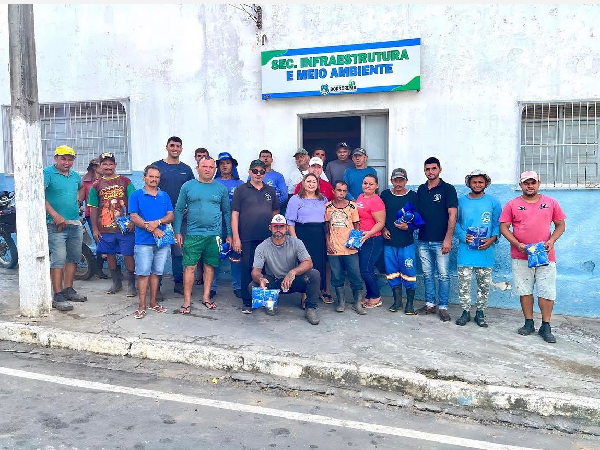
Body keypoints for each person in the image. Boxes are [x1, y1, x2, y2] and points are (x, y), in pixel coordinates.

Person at [499, 171, 566, 343]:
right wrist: (517, 244)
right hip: (521, 255)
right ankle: (528, 323)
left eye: (533, 182)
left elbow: (560, 225)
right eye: (526, 183)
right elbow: (504, 228)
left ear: (539, 183)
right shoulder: (512, 205)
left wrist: (551, 240)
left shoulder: (551, 203)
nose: (530, 186)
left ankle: (546, 325)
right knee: (525, 290)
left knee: (547, 291)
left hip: (546, 256)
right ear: (520, 185)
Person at [174, 156, 231, 313]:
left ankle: (206, 297)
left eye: (211, 167)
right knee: (190, 267)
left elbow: (227, 212)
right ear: (197, 168)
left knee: (210, 267)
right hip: (193, 234)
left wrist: (230, 234)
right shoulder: (188, 186)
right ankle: (187, 301)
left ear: (215, 169)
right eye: (204, 166)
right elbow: (178, 210)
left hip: (214, 235)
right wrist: (177, 231)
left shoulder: (221, 189)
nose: (208, 169)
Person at [250, 214, 321, 325]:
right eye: (275, 226)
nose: (278, 229)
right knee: (253, 286)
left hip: (292, 281)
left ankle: (310, 308)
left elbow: (308, 262)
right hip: (274, 281)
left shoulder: (296, 243)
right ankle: (270, 303)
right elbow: (256, 270)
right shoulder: (262, 246)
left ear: (286, 228)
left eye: (281, 226)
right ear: (270, 228)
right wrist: (260, 279)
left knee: (314, 275)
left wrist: (293, 272)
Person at [454, 170, 502, 327]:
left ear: (486, 184)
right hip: (465, 250)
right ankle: (465, 312)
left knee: (483, 284)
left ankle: (480, 312)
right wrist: (463, 236)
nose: (477, 185)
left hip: (485, 251)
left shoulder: (493, 202)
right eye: (474, 182)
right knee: (464, 283)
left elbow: (497, 224)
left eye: (480, 182)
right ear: (469, 183)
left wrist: (492, 239)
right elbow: (455, 223)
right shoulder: (461, 201)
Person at [232, 159, 280, 314]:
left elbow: (275, 213)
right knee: (247, 268)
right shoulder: (241, 189)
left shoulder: (270, 190)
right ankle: (247, 301)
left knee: (266, 269)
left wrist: (275, 233)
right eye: (255, 171)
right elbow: (235, 215)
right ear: (249, 172)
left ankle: (266, 301)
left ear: (265, 173)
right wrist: (236, 237)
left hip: (267, 238)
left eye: (261, 171)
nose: (258, 174)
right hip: (247, 237)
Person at [44, 145, 87, 311]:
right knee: (59, 258)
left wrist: (78, 201)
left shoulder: (76, 176)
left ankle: (68, 289)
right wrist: (54, 215)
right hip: (55, 225)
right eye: (63, 158)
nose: (67, 162)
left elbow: (82, 187)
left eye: (70, 159)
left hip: (74, 223)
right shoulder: (47, 173)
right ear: (56, 158)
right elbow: (39, 195)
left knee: (73, 258)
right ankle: (58, 294)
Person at [415, 157, 458, 322]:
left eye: (433, 168)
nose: (430, 172)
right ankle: (430, 304)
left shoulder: (448, 189)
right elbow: (417, 214)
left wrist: (448, 239)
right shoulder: (421, 189)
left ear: (440, 169)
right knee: (427, 274)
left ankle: (443, 307)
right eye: (427, 169)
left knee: (444, 275)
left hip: (441, 241)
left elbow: (452, 215)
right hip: (424, 240)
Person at [88, 152, 137, 296]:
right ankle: (116, 283)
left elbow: (134, 201)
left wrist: (133, 221)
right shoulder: (95, 186)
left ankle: (131, 285)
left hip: (125, 228)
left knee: (128, 254)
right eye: (104, 164)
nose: (108, 166)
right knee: (109, 255)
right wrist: (95, 229)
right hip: (105, 228)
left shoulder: (125, 181)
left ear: (115, 165)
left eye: (110, 163)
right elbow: (93, 208)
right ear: (100, 166)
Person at [128, 165, 173, 319]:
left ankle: (153, 303)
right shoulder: (136, 195)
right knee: (143, 273)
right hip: (144, 242)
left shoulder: (164, 195)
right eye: (151, 176)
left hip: (162, 242)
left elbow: (170, 215)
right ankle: (141, 305)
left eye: (157, 177)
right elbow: (133, 217)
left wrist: (158, 222)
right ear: (144, 177)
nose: (154, 180)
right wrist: (153, 229)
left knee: (156, 273)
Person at [152, 137, 195, 295]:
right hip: (161, 218)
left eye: (178, 146)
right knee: (159, 250)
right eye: (172, 145)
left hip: (181, 219)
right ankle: (157, 286)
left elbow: (192, 191)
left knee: (178, 251)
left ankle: (178, 282)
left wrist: (188, 208)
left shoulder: (187, 169)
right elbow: (152, 188)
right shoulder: (158, 166)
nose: (175, 148)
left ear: (181, 149)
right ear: (167, 147)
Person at [380, 168, 420, 315]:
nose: (398, 183)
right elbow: (379, 215)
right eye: (395, 180)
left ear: (406, 181)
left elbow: (420, 218)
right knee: (391, 272)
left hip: (406, 242)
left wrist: (409, 226)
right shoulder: (385, 195)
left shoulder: (413, 196)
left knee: (409, 271)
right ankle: (397, 302)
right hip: (389, 242)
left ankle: (410, 304)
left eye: (401, 180)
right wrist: (383, 228)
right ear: (391, 181)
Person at [324, 181, 367, 315]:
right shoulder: (328, 207)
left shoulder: (352, 207)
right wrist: (328, 243)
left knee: (355, 274)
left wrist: (355, 241)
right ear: (333, 191)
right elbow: (326, 227)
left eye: (344, 191)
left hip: (350, 247)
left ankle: (357, 302)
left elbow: (357, 226)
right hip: (334, 247)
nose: (341, 193)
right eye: (339, 190)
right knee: (337, 276)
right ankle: (340, 302)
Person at [286, 173, 329, 304]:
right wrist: (295, 240)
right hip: (303, 234)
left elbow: (327, 220)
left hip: (319, 235)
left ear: (317, 185)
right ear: (304, 184)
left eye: (314, 182)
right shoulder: (295, 199)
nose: (311, 184)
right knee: (305, 264)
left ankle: (315, 293)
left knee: (318, 264)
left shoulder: (323, 199)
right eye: (308, 181)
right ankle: (305, 296)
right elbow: (290, 222)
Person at [212, 152, 244, 298]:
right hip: (217, 225)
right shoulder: (213, 183)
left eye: (228, 162)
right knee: (214, 255)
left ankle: (237, 285)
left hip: (236, 225)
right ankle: (211, 287)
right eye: (222, 163)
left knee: (236, 255)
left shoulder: (240, 184)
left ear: (233, 165)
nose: (225, 165)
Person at [355, 174, 386, 308]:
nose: (367, 186)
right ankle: (369, 295)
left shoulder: (376, 201)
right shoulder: (361, 197)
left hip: (373, 239)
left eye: (371, 184)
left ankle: (376, 296)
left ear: (376, 186)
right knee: (363, 269)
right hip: (362, 238)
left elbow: (380, 222)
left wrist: (369, 234)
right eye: (365, 183)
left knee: (366, 269)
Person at [82, 157, 107, 279]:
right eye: (101, 165)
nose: (104, 167)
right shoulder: (86, 182)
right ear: (94, 167)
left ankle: (100, 267)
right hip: (91, 215)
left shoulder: (106, 180)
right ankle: (99, 269)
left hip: (107, 215)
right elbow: (80, 197)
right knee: (100, 240)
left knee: (107, 240)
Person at [192, 147, 210, 287]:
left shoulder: (212, 179)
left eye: (203, 155)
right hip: (195, 225)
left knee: (210, 256)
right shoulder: (191, 178)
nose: (200, 157)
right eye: (198, 156)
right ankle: (198, 274)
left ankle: (210, 286)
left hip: (213, 225)